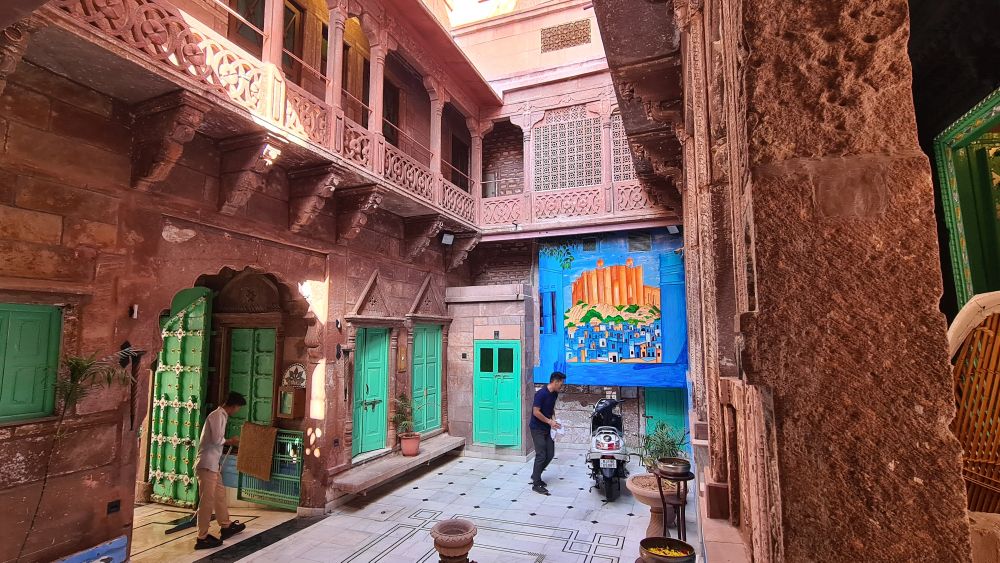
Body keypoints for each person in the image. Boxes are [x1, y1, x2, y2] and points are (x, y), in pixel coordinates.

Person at [194, 391, 247, 549]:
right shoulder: (217, 415)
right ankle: (201, 538)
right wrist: (232, 441)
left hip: (213, 465)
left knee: (219, 496)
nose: (237, 410)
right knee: (206, 503)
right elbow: (217, 439)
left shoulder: (222, 416)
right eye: (238, 407)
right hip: (206, 465)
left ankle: (226, 526)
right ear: (234, 405)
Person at [530, 371, 566, 495]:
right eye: (561, 384)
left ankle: (536, 474)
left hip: (547, 428)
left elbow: (551, 409)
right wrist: (549, 421)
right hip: (537, 428)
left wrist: (554, 421)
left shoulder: (554, 394)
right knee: (541, 455)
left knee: (550, 454)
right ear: (555, 382)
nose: (562, 386)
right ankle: (536, 483)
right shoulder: (541, 394)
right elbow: (536, 412)